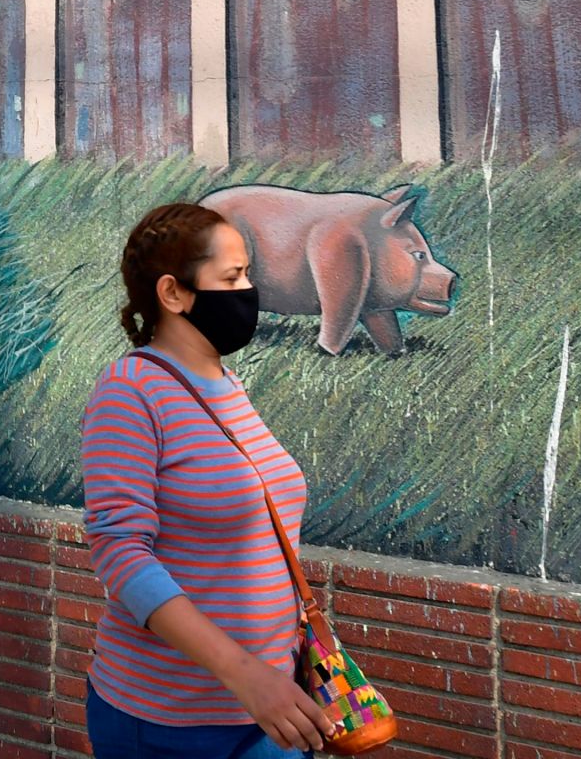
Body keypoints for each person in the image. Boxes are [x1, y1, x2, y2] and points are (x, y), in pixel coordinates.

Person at [81, 203, 337, 758]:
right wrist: (245, 674)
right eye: (232, 278)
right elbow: (120, 550)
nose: (249, 291)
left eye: (247, 274)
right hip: (171, 721)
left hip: (275, 706)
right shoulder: (129, 393)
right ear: (173, 294)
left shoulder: (228, 386)